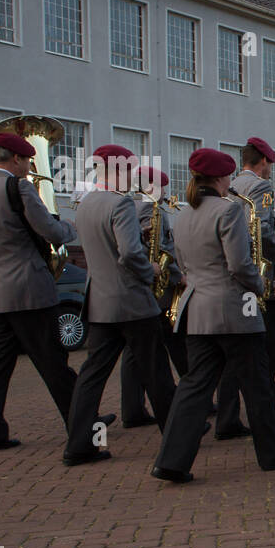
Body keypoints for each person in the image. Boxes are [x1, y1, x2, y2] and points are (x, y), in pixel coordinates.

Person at [150, 148, 275, 482]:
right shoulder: (228, 212)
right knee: (257, 385)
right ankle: (274, 453)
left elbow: (182, 265)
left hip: (197, 309)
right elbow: (240, 265)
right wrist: (260, 285)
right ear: (219, 178)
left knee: (194, 387)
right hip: (233, 310)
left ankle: (171, 460)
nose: (230, 182)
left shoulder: (184, 214)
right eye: (228, 177)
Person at [0, 131, 85, 452]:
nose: (29, 167)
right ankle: (84, 427)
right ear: (16, 159)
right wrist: (72, 226)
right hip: (29, 288)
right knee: (53, 361)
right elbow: (52, 231)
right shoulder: (19, 187)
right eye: (28, 160)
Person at [63, 144, 176, 465]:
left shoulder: (85, 205)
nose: (134, 178)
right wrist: (151, 269)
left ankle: (78, 445)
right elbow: (128, 255)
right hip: (132, 301)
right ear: (117, 170)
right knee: (157, 373)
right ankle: (177, 437)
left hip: (99, 300)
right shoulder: (121, 203)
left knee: (91, 375)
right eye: (131, 171)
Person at [216, 137, 275, 436]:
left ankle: (228, 418)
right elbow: (265, 229)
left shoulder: (231, 187)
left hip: (239, 280)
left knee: (241, 354)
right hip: (265, 278)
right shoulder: (261, 187)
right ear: (264, 161)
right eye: (271, 164)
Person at [120, 166, 187, 427]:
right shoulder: (149, 208)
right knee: (170, 344)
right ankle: (189, 399)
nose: (164, 192)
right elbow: (159, 248)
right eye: (161, 186)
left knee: (135, 354)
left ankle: (133, 409)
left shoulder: (135, 206)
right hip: (157, 287)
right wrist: (176, 275)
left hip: (144, 288)